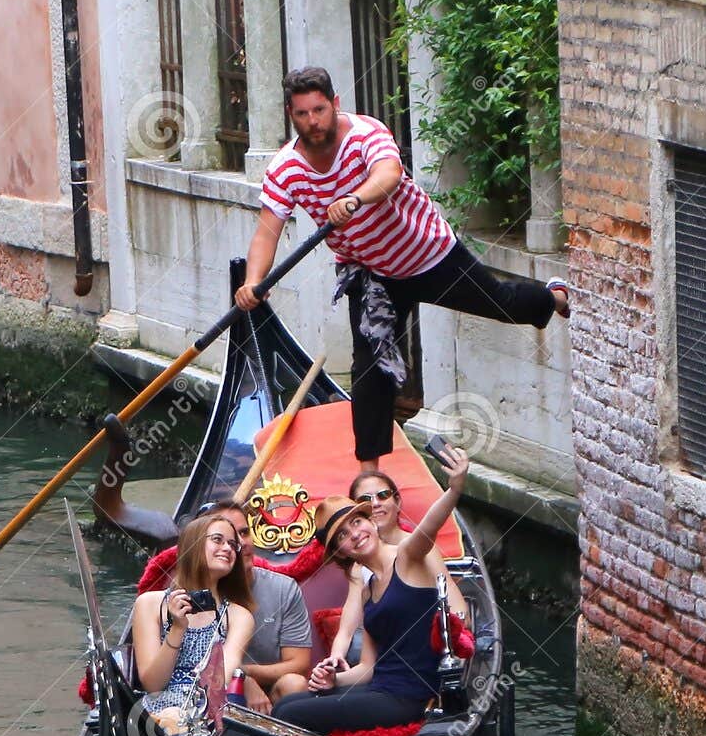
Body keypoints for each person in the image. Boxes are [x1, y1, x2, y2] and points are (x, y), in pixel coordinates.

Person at [235, 65, 569, 465]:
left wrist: (355, 199)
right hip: (372, 274)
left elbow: (388, 173)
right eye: (303, 114)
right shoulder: (285, 168)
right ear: (291, 114)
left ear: (334, 104)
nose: (313, 122)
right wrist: (254, 281)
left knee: (503, 303)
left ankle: (554, 296)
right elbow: (267, 232)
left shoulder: (365, 134)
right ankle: (370, 472)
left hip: (429, 253)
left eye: (319, 110)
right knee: (370, 368)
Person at [274, 443, 470, 736]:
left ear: (371, 523)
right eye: (343, 534)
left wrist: (454, 490)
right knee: (286, 706)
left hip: (409, 697)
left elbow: (428, 527)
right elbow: (368, 666)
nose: (355, 534)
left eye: (357, 522)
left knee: (291, 714)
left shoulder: (406, 557)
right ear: (340, 551)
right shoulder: (366, 588)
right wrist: (333, 681)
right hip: (379, 688)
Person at [326, 469, 467, 666]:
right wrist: (335, 657)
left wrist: (453, 643)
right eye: (365, 500)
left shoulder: (417, 547)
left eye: (383, 495)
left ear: (397, 502)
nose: (375, 504)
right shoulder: (360, 569)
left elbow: (454, 602)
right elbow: (346, 629)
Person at [131, 514, 254, 731]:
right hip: (158, 712)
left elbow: (220, 678)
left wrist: (191, 711)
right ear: (194, 544)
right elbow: (153, 684)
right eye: (217, 540)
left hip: (207, 711)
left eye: (232, 544)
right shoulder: (150, 604)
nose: (228, 548)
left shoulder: (239, 616)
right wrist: (177, 628)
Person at [194, 498, 313, 712]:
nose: (243, 543)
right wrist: (238, 680)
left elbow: (299, 664)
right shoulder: (197, 593)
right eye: (228, 538)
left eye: (245, 532)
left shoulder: (284, 589)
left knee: (295, 683)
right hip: (209, 690)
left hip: (270, 693)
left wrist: (245, 674)